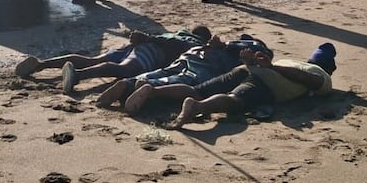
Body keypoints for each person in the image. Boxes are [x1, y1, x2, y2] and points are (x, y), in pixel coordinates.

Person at [134, 43, 338, 128]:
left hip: (248, 69)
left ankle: (153, 90)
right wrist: (273, 68)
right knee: (235, 100)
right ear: (327, 68)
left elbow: (296, 72)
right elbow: (309, 80)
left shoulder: (292, 60)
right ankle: (198, 107)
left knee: (198, 90)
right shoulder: (322, 76)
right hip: (268, 83)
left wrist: (256, 63)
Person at [95, 35, 273, 113]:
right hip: (210, 66)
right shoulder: (255, 48)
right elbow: (252, 67)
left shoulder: (230, 42)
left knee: (163, 72)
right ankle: (142, 88)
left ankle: (128, 83)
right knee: (179, 80)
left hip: (191, 55)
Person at [14, 26, 212, 95]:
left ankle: (40, 64)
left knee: (93, 59)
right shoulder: (191, 41)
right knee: (123, 69)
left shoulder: (176, 32)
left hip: (140, 44)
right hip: (152, 51)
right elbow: (177, 47)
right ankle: (77, 76)